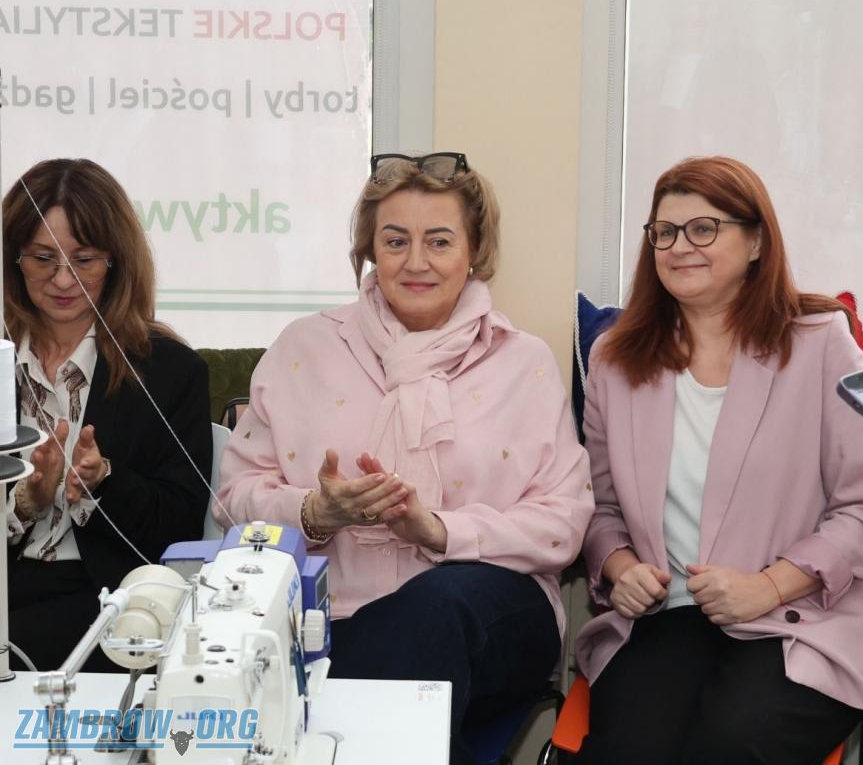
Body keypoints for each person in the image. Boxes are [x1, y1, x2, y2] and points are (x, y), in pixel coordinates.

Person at [218, 152, 593, 765]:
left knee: (433, 611)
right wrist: (315, 513)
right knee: (390, 667)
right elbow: (234, 499)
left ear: (474, 250)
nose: (416, 262)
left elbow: (564, 523)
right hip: (324, 616)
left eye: (439, 241)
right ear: (371, 249)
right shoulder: (303, 348)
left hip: (492, 619)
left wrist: (439, 531)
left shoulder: (522, 362)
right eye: (396, 241)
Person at [573, 156, 863, 764]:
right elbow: (599, 508)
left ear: (755, 242)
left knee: (731, 746)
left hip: (801, 617)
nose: (679, 247)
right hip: (667, 617)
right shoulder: (615, 359)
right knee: (629, 752)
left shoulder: (822, 341)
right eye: (664, 232)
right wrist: (620, 567)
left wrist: (766, 586)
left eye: (704, 228)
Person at [2, 158, 212, 672]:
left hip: (110, 600)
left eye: (84, 260)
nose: (63, 279)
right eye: (42, 258)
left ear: (115, 261)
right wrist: (26, 503)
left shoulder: (169, 370)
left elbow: (181, 523)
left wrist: (104, 481)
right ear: (13, 259)